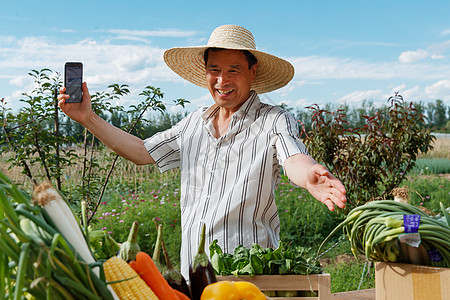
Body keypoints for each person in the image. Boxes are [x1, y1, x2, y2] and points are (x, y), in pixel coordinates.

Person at [58, 24, 346, 279]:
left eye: (234, 69)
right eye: (215, 70)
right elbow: (142, 152)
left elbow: (293, 157)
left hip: (248, 275)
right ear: (205, 72)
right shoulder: (194, 123)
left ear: (252, 71)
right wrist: (87, 118)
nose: (222, 80)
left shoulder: (272, 120)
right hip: (193, 275)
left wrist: (309, 175)